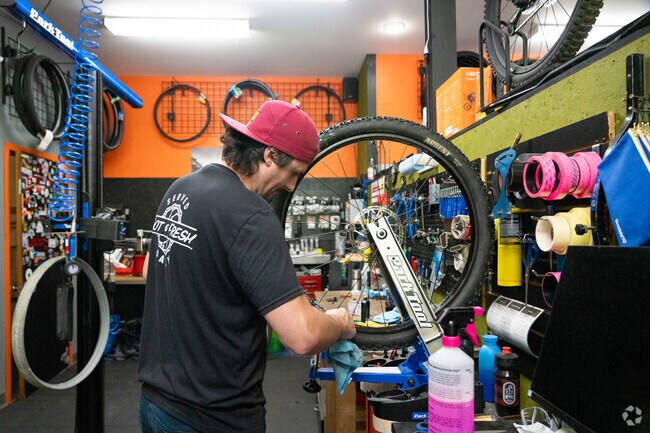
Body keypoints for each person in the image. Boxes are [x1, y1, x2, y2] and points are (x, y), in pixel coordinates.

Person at [137, 99, 356, 433]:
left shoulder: (179, 189)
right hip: (213, 417)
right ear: (269, 155)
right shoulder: (252, 216)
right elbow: (302, 337)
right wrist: (339, 323)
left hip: (155, 404)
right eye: (293, 172)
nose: (291, 186)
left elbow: (150, 272)